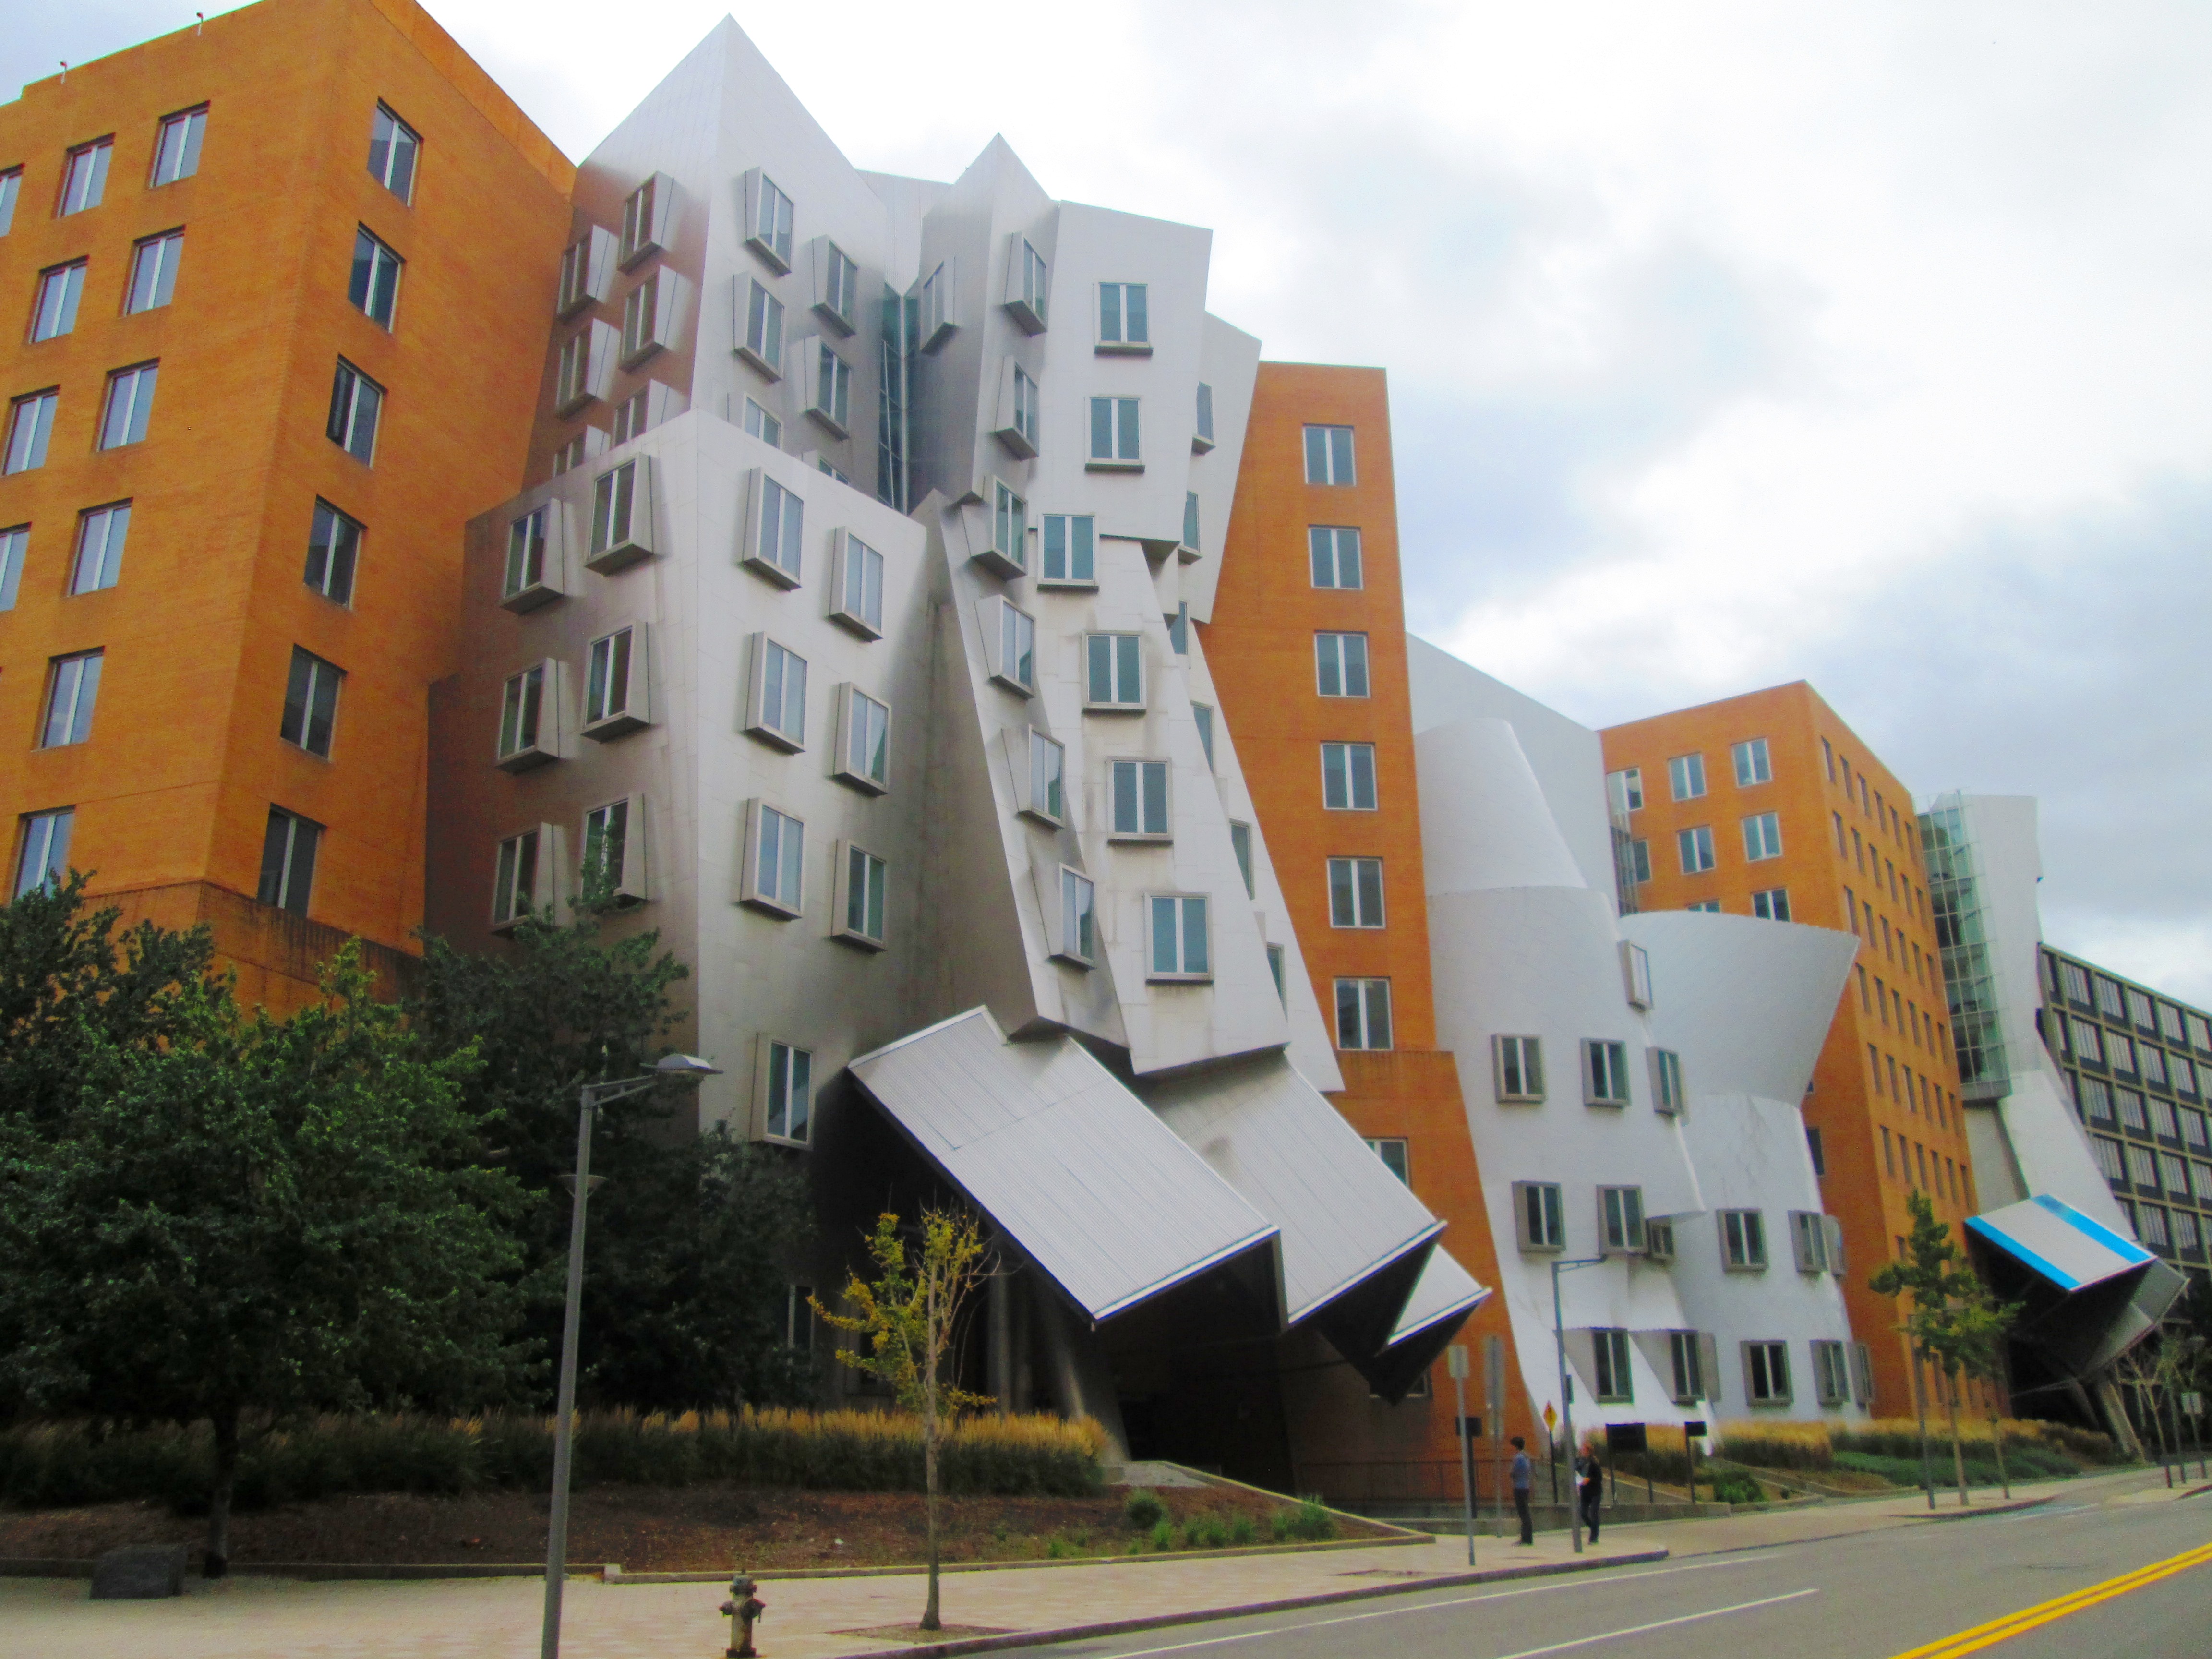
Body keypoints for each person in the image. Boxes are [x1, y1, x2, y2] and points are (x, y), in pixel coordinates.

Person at [1509, 1435, 1534, 1545]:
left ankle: (1526, 1539)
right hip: (1526, 1486)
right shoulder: (1526, 1457)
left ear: (1516, 1446)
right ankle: (1527, 1537)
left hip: (1519, 1487)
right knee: (1526, 1513)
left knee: (1523, 1514)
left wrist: (1512, 1474)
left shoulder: (1518, 1458)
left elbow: (1514, 1473)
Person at [1575, 1449, 1604, 1542]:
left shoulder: (1594, 1463)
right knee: (1583, 1513)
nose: (1582, 1453)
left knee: (1594, 1512)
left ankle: (1594, 1537)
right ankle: (1593, 1528)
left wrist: (1590, 1479)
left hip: (1595, 1492)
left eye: (1584, 1451)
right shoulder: (1579, 1463)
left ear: (1589, 1452)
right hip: (1585, 1492)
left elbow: (1599, 1478)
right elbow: (1576, 1474)